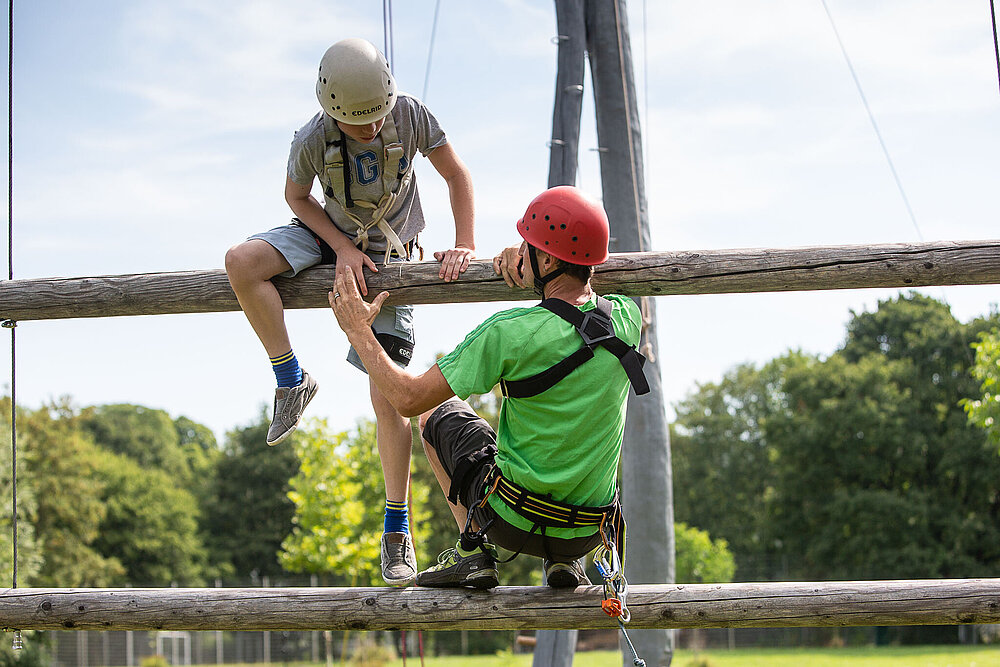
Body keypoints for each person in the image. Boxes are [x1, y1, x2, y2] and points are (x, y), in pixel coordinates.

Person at [225, 38, 475, 587]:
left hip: (389, 251)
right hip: (329, 238)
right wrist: (338, 247)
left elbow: (456, 175)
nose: (371, 129)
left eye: (376, 119)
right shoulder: (312, 138)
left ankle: (395, 527)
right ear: (331, 110)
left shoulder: (410, 116)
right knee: (241, 262)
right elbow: (295, 198)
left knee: (388, 396)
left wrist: (464, 243)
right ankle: (290, 378)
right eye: (357, 124)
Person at [329, 185, 648, 588]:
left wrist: (359, 331)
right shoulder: (626, 320)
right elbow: (589, 291)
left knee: (433, 413)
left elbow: (407, 399)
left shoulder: (508, 333)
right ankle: (560, 563)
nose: (519, 248)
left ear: (547, 258)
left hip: (510, 521)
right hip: (584, 535)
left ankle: (473, 553)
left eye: (526, 243)